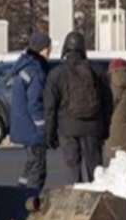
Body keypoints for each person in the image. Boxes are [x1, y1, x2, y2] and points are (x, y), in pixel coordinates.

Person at [43, 31, 111, 183]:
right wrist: (105, 128)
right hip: (93, 128)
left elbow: (50, 108)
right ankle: (95, 202)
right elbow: (108, 102)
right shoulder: (97, 70)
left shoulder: (56, 73)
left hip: (67, 129)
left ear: (66, 48)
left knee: (73, 173)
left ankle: (75, 199)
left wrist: (50, 134)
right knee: (95, 174)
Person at [8, 32, 52, 191]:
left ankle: (18, 193)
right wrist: (42, 127)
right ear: (43, 50)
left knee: (31, 163)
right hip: (32, 130)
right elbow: (35, 103)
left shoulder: (24, 67)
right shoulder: (37, 71)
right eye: (48, 49)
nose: (49, 53)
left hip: (22, 126)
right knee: (38, 169)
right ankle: (31, 200)